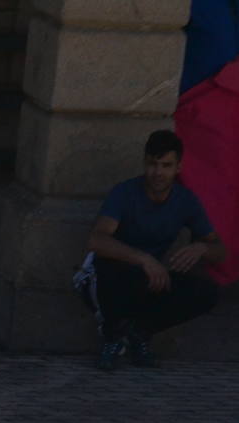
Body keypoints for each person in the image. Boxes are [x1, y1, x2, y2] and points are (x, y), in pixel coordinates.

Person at [79, 129, 228, 369]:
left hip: (151, 278)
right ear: (144, 163)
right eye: (152, 164)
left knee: (206, 292)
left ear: (178, 167)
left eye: (166, 165)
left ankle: (139, 332)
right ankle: (112, 337)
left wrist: (201, 247)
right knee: (112, 273)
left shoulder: (186, 200)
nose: (158, 172)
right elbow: (96, 241)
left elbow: (220, 251)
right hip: (113, 275)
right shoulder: (125, 193)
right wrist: (144, 259)